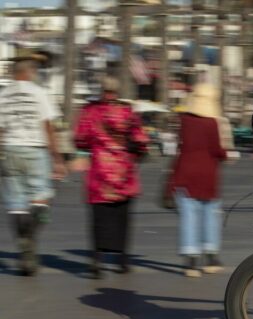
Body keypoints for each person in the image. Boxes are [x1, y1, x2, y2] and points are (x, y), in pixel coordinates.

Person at [74, 76, 149, 279]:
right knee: (122, 217)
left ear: (102, 90)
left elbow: (80, 139)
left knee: (99, 218)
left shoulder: (91, 111)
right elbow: (141, 140)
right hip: (125, 173)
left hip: (100, 172)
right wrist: (134, 152)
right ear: (117, 91)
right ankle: (122, 260)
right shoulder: (127, 111)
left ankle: (97, 261)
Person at [0, 51, 67, 276]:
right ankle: (30, 236)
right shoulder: (39, 92)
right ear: (30, 71)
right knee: (41, 198)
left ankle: (22, 240)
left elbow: (0, 130)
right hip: (35, 151)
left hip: (10, 150)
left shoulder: (4, 94)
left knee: (16, 204)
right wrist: (57, 157)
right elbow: (48, 126)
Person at [170, 83, 227, 277]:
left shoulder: (184, 120)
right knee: (210, 214)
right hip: (208, 175)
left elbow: (181, 145)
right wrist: (224, 155)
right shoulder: (212, 123)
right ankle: (211, 257)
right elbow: (217, 150)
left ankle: (190, 261)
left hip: (185, 173)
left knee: (189, 216)